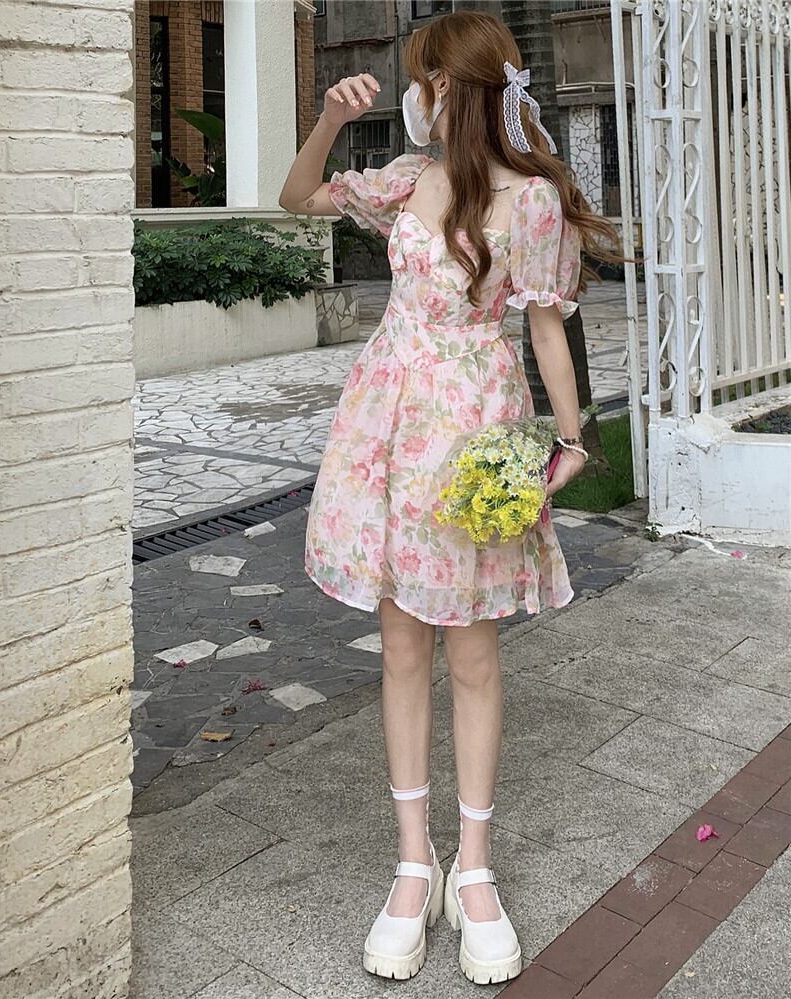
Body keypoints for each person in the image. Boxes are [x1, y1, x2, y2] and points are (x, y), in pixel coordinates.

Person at [280, 9, 620, 987]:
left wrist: (569, 439)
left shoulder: (534, 201)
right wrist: (328, 120)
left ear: (452, 86)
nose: (410, 92)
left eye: (421, 76)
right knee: (400, 647)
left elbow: (546, 329)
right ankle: (410, 863)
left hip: (476, 431)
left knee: (471, 653)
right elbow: (297, 197)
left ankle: (473, 868)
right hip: (387, 426)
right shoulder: (403, 179)